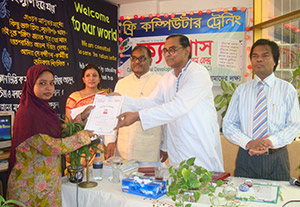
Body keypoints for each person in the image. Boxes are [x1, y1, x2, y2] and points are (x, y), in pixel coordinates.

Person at [115, 34, 224, 172]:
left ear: (187, 51)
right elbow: (151, 102)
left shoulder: (197, 73)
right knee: (178, 185)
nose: (167, 54)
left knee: (203, 186)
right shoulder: (167, 78)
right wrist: (119, 100)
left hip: (198, 144)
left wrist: (137, 116)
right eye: (165, 51)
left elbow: (177, 107)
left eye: (172, 49)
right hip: (177, 147)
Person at [7, 65, 94, 207]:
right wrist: (82, 137)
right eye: (42, 83)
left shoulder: (44, 110)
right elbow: (51, 146)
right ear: (31, 84)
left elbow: (60, 133)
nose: (48, 88)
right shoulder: (28, 113)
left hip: (46, 185)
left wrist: (81, 117)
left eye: (51, 83)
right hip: (31, 188)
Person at [223, 39, 300, 181]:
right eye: (255, 56)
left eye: (265, 55)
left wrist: (270, 142)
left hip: (276, 158)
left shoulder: (287, 90)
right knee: (244, 200)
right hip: (246, 157)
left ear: (275, 61)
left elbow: (294, 124)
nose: (259, 59)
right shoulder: (242, 90)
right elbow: (228, 124)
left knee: (278, 201)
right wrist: (248, 142)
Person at [112, 45, 162, 162]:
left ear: (150, 61)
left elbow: (165, 115)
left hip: (149, 148)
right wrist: (110, 141)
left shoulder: (160, 81)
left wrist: (165, 146)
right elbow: (114, 113)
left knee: (148, 179)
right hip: (123, 147)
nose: (137, 62)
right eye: (133, 58)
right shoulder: (121, 83)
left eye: (142, 58)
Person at [65, 64, 115, 160]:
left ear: (99, 79)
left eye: (95, 75)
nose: (91, 78)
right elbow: (68, 125)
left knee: (98, 172)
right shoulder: (74, 97)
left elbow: (110, 122)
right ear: (83, 79)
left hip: (99, 144)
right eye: (88, 75)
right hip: (79, 143)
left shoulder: (105, 97)